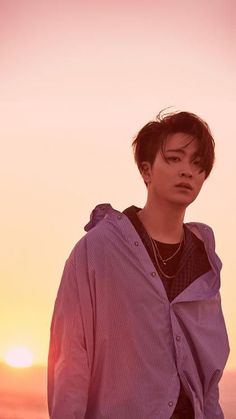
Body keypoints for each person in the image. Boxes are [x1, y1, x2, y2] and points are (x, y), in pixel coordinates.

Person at [47, 110, 230, 419]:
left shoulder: (204, 263)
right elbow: (71, 358)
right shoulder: (98, 250)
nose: (187, 171)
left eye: (198, 164)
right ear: (146, 170)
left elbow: (208, 382)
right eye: (174, 159)